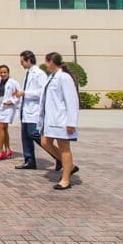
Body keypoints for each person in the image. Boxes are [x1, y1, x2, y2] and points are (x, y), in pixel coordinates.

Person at [39, 52, 80, 190]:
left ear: (50, 61)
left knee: (64, 148)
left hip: (62, 119)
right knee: (45, 142)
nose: (45, 64)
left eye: (46, 61)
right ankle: (70, 166)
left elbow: (72, 101)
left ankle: (66, 180)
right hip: (50, 119)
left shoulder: (64, 77)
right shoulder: (51, 77)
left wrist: (71, 122)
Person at [13, 50, 47, 169]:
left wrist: (24, 93)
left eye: (22, 61)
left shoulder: (39, 74)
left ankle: (57, 155)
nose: (21, 64)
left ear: (28, 60)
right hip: (26, 111)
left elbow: (42, 92)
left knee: (34, 134)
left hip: (34, 110)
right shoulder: (28, 73)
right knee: (25, 136)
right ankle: (29, 161)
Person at [0, 64, 21, 161]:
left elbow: (19, 94)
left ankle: (0, 151)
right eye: (1, 72)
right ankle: (8, 150)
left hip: (7, 107)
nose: (3, 74)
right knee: (4, 128)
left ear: (8, 72)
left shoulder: (13, 82)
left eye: (5, 72)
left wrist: (12, 101)